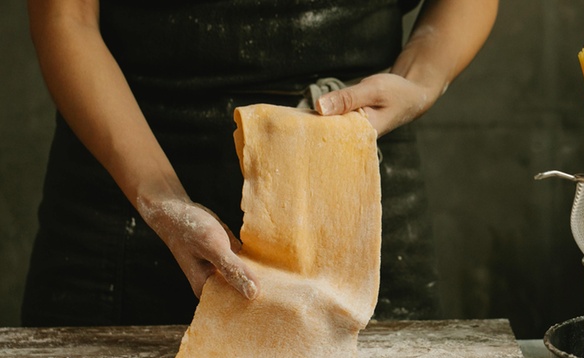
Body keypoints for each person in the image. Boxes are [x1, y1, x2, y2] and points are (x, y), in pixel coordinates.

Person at [22, 0, 499, 326]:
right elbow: (68, 21)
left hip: (354, 176)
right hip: (129, 185)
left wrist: (419, 78)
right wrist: (162, 200)